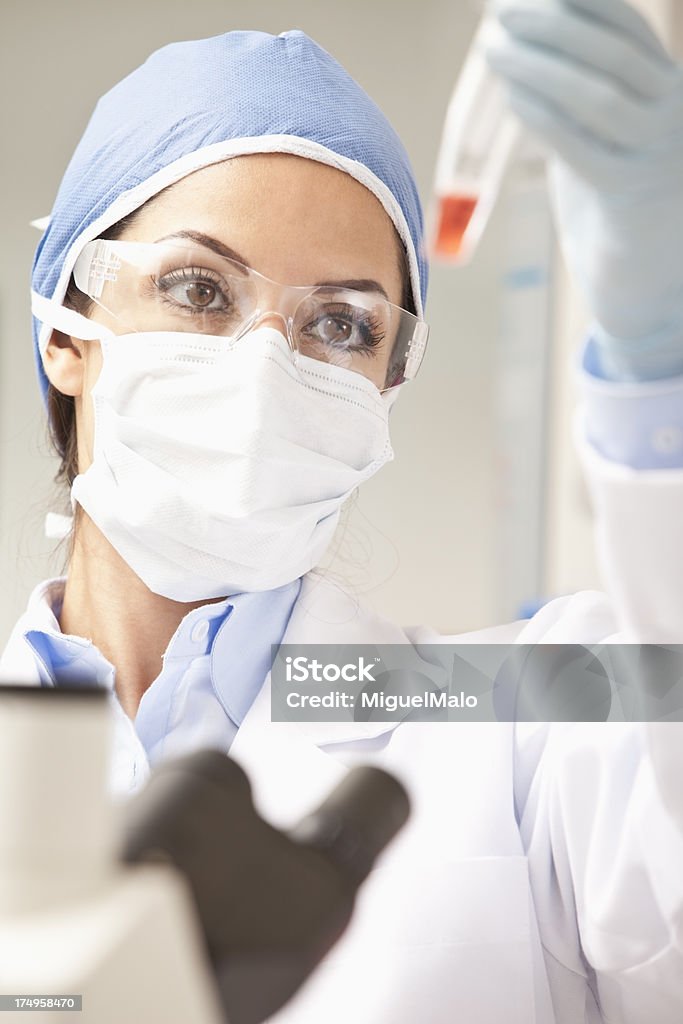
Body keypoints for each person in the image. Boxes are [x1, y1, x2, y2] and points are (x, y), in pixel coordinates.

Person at [2, 1, 683, 1021]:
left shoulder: (523, 709)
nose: (265, 366)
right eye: (198, 287)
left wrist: (659, 374)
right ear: (65, 326)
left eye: (337, 322)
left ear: (383, 386)